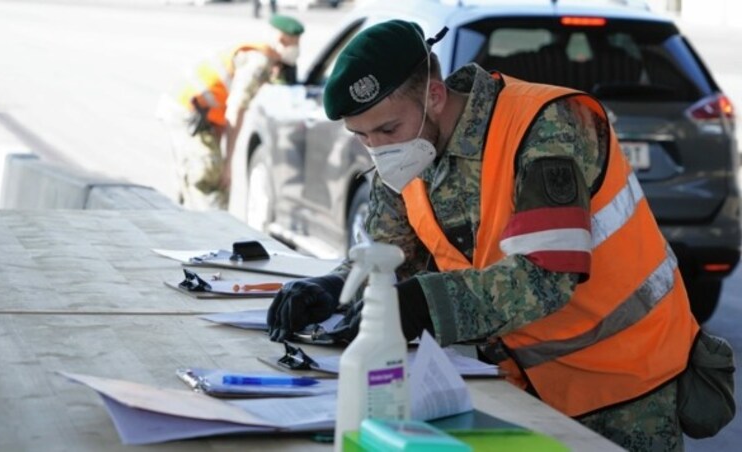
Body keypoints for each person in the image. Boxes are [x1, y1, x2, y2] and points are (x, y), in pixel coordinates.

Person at [266, 19, 701, 451]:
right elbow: (389, 253)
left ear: (434, 96)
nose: (377, 147)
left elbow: (545, 277)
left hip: (621, 386)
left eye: (386, 130)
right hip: (515, 386)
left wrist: (423, 303)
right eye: (361, 136)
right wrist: (336, 285)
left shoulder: (545, 126)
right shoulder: (407, 149)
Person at [160, 14, 303, 210]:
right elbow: (235, 110)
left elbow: (220, 111)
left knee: (197, 177)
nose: (297, 50)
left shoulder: (258, 55)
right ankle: (208, 231)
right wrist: (228, 164)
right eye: (294, 43)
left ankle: (188, 218)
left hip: (193, 114)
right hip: (187, 113)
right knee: (210, 176)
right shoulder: (259, 63)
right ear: (281, 41)